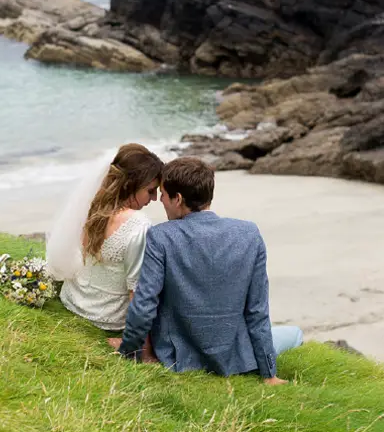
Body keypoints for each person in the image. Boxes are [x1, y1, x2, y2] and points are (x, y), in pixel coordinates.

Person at [110, 157, 303, 384]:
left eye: (163, 194)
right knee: (296, 333)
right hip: (236, 357)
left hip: (179, 359)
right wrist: (269, 374)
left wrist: (128, 350)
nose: (160, 200)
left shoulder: (161, 237)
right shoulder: (250, 234)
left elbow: (144, 305)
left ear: (178, 198)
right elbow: (257, 310)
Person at [47, 143, 164, 333]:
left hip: (73, 299)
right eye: (150, 190)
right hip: (108, 318)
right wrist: (140, 347)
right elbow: (137, 290)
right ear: (130, 186)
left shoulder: (93, 205)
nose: (154, 198)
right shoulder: (138, 226)